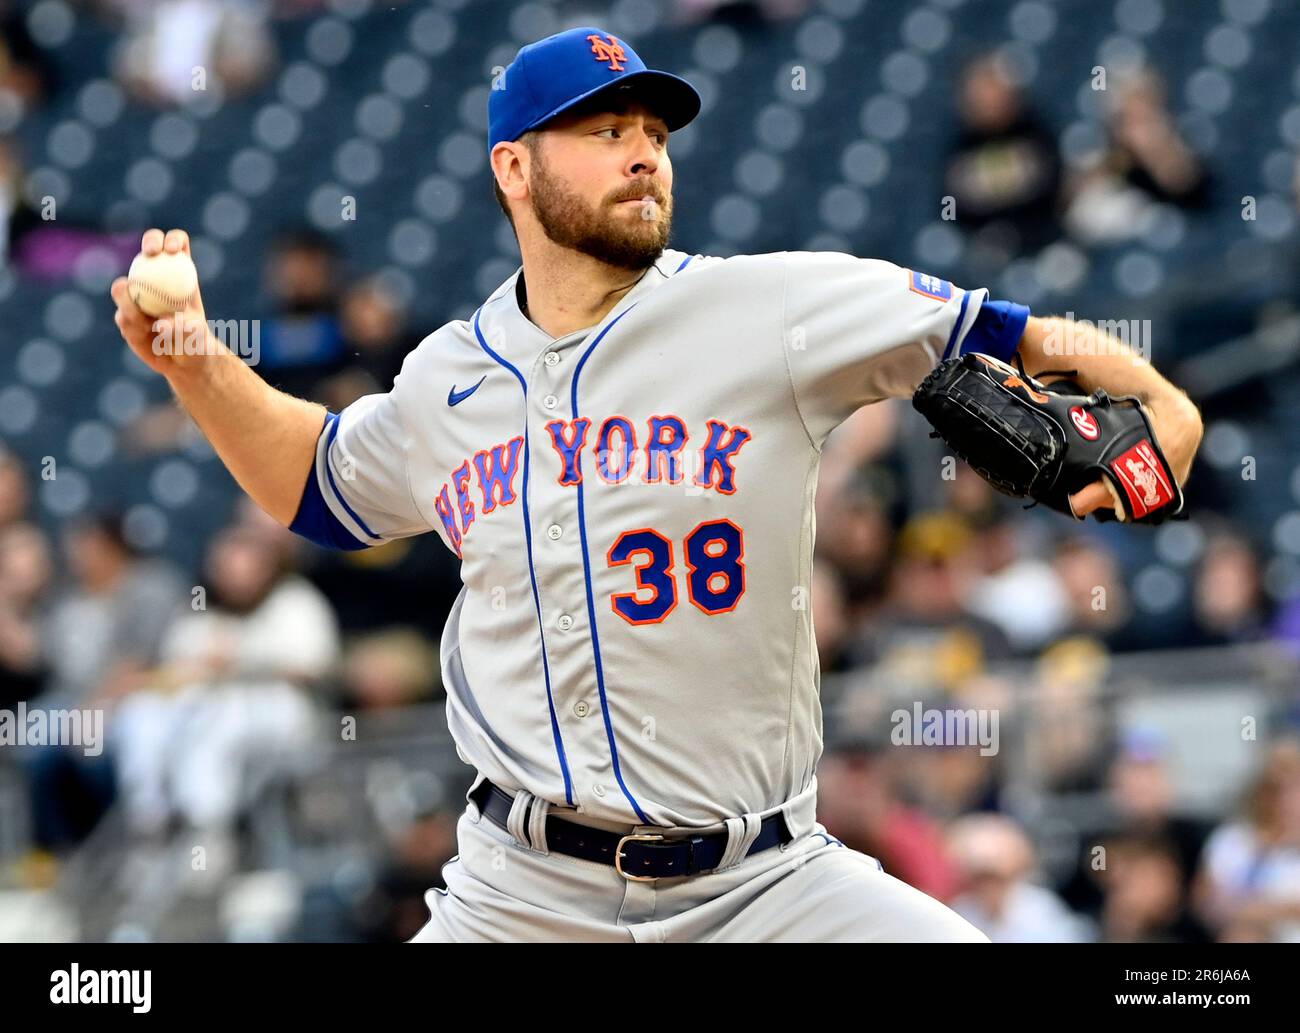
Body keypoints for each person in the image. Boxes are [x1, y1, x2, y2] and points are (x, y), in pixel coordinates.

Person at [110, 27, 1204, 942]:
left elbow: (1005, 331)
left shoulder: (770, 310)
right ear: (512, 169)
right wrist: (196, 357)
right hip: (522, 894)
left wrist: (1159, 398)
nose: (642, 153)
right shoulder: (449, 375)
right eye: (603, 130)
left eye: (652, 132)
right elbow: (314, 480)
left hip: (766, 887)